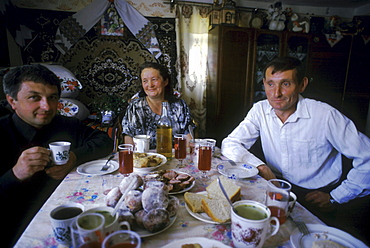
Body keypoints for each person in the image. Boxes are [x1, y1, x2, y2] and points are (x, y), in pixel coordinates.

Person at [221, 56, 370, 245]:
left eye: (285, 84)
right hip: (275, 188)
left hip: (317, 198)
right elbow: (230, 143)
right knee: (263, 237)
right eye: (270, 84)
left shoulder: (325, 115)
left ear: (302, 85)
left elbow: (368, 158)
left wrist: (335, 197)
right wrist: (261, 166)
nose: (276, 93)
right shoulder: (260, 110)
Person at [0, 64, 114, 247]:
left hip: (73, 214)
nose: (46, 106)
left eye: (52, 98)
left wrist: (74, 158)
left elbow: (104, 141)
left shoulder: (65, 124)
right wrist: (15, 174)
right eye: (34, 98)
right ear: (12, 101)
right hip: (17, 225)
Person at [121, 62, 195, 149]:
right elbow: (129, 140)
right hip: (144, 158)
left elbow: (188, 139)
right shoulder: (135, 108)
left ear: (165, 81)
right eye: (145, 81)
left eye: (154, 79)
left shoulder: (180, 106)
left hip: (174, 157)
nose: (150, 85)